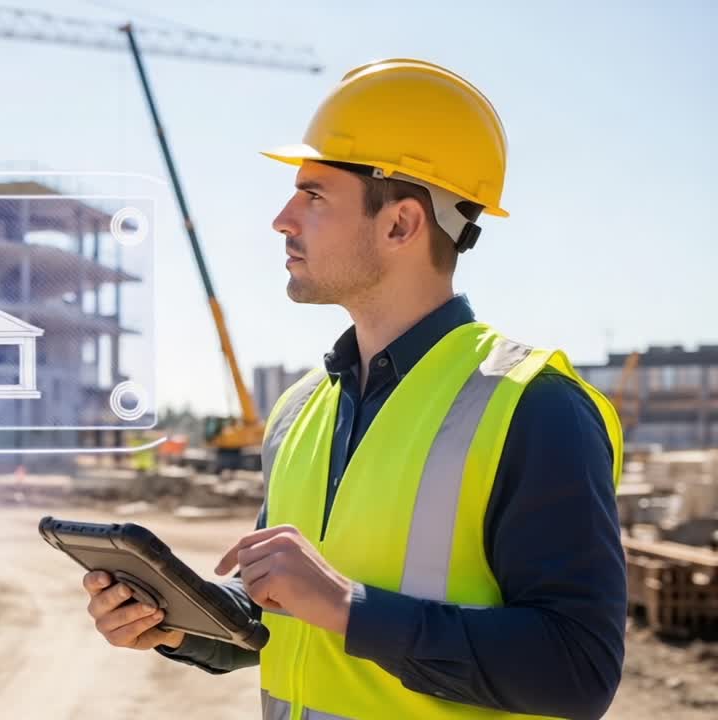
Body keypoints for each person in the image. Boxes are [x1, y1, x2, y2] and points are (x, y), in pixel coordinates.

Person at [80, 58, 626, 720]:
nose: (282, 219)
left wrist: (348, 607)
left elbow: (578, 670)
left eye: (313, 196)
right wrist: (176, 622)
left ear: (399, 225)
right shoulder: (299, 410)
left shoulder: (534, 407)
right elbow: (285, 615)